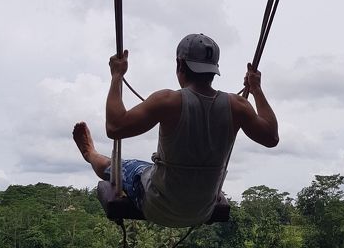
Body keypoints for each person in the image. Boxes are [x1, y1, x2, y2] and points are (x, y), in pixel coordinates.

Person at [73, 33, 279, 227]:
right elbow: (271, 137)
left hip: (156, 206)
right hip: (202, 210)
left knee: (117, 166)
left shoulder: (168, 101)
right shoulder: (238, 106)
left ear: (180, 64)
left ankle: (90, 154)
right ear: (214, 70)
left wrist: (117, 75)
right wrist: (257, 90)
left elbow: (115, 127)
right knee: (151, 167)